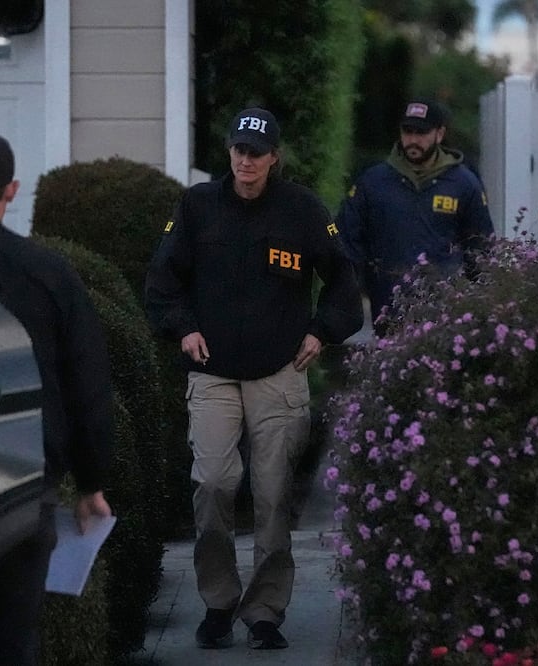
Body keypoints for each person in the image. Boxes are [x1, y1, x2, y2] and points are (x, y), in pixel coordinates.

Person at [144, 108, 362, 650]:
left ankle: (264, 611)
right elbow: (161, 280)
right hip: (213, 371)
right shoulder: (196, 206)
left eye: (257, 152)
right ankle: (218, 602)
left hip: (279, 373)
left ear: (274, 159)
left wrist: (322, 332)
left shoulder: (303, 211)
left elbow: (343, 279)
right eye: (239, 149)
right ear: (230, 152)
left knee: (272, 494)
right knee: (213, 483)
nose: (246, 160)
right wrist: (183, 329)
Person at [0, 130, 114, 665]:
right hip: (24, 474)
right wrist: (93, 481)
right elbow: (88, 384)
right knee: (11, 639)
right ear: (12, 190)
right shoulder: (51, 273)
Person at [336, 98, 495, 332]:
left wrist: (478, 304)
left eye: (421, 133)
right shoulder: (374, 182)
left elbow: (481, 248)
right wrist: (351, 290)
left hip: (448, 315)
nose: (413, 140)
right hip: (387, 310)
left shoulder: (464, 184)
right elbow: (347, 240)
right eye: (407, 131)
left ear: (439, 134)